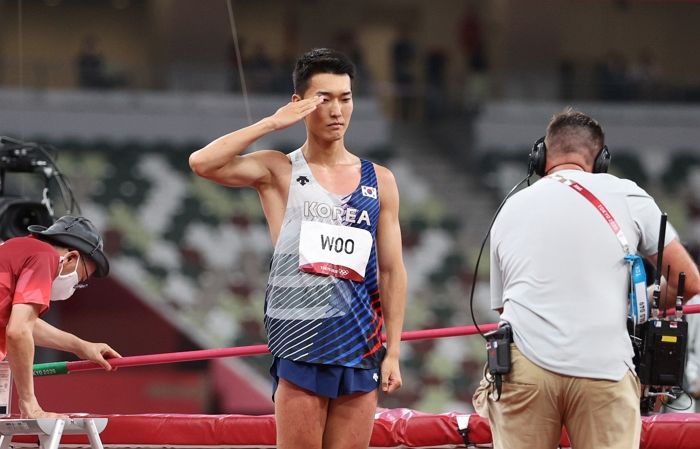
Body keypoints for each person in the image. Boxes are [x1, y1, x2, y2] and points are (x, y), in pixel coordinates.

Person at [189, 48, 407, 449]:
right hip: (301, 346)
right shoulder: (279, 171)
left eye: (346, 98)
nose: (337, 110)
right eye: (324, 99)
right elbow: (203, 163)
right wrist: (273, 123)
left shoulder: (381, 180)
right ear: (301, 102)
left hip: (360, 347)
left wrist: (393, 351)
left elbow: (392, 271)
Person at [473, 108, 700, 448]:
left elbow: (504, 310)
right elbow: (688, 280)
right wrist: (643, 305)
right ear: (600, 159)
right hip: (605, 364)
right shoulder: (628, 194)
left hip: (525, 366)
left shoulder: (510, 208)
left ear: (540, 155)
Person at [1, 215, 121, 418]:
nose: (74, 287)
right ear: (72, 258)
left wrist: (81, 346)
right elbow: (19, 332)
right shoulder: (44, 256)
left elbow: (20, 324)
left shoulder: (14, 248)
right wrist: (31, 406)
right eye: (80, 280)